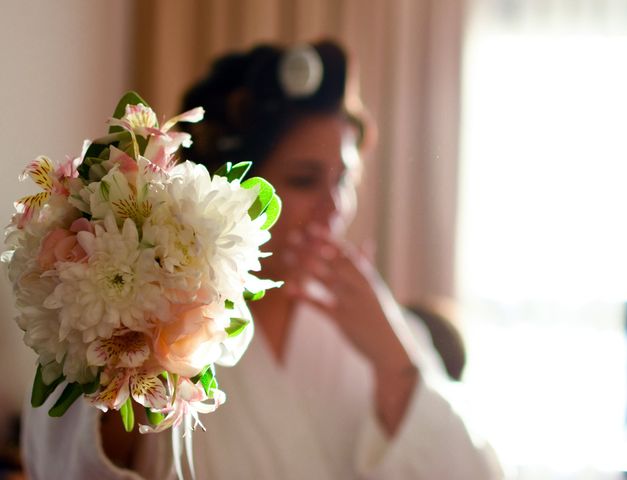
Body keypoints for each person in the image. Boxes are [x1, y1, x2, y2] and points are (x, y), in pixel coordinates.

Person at [22, 40, 501, 479]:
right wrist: (141, 341)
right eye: (305, 180)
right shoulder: (169, 326)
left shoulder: (383, 332)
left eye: (344, 180)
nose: (335, 207)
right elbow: (70, 462)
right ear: (232, 194)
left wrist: (395, 360)